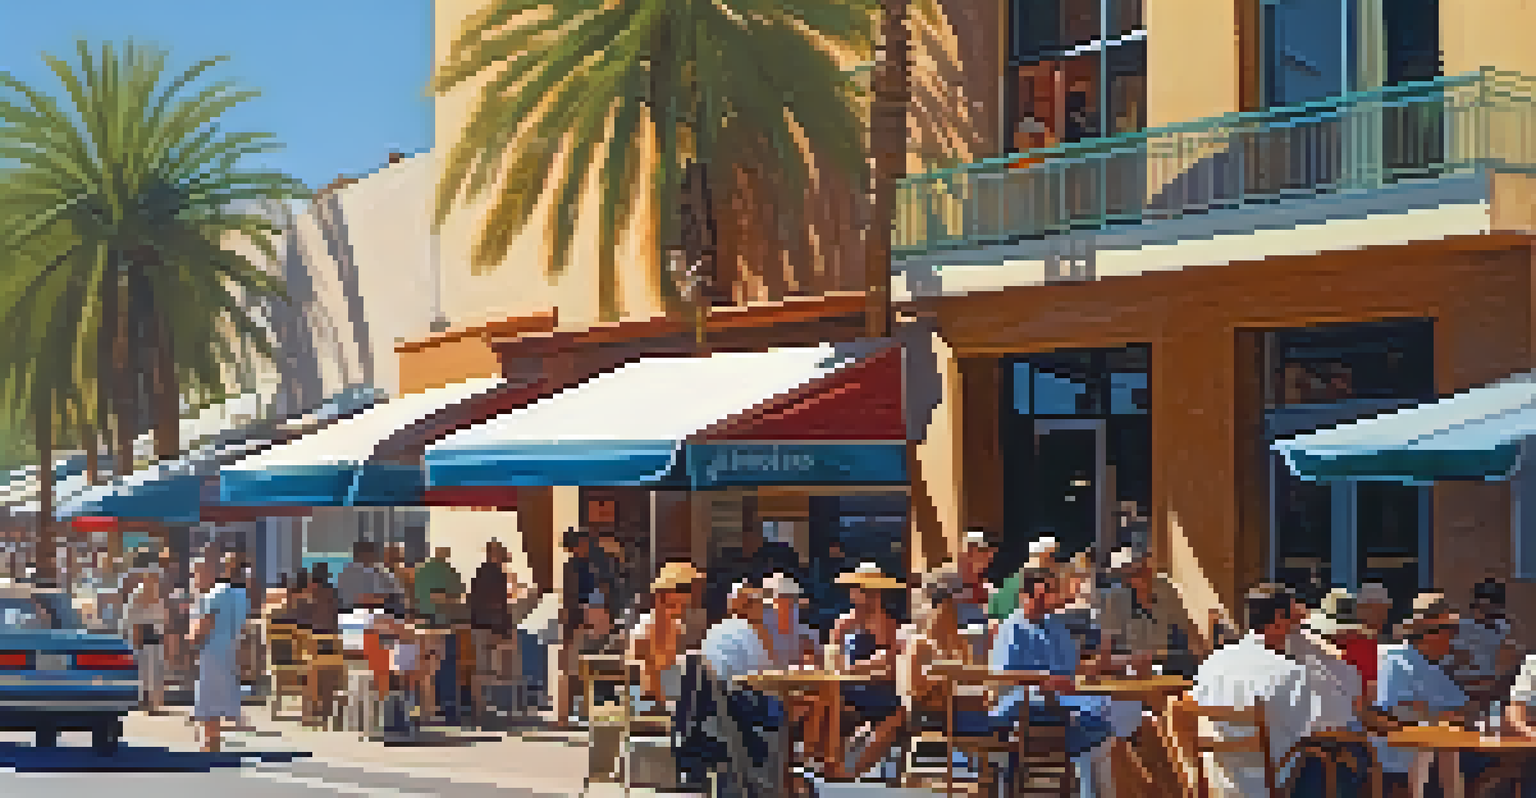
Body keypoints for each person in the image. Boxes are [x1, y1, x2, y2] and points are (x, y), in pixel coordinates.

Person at [1193, 583, 1335, 798]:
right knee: (1325, 761)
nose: (1295, 628)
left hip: (1218, 782)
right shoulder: (1290, 672)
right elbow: (1307, 730)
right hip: (1269, 784)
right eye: (1293, 620)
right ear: (1278, 618)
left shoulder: (1211, 663)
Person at [990, 567, 1115, 797]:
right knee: (1087, 722)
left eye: (1049, 591)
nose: (1044, 599)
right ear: (1024, 596)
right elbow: (1005, 675)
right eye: (1039, 593)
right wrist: (1045, 681)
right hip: (1022, 700)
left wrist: (1095, 668)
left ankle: (1087, 786)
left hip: (1060, 698)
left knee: (1104, 711)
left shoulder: (1056, 626)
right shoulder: (1012, 628)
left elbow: (1071, 669)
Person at [1374, 592, 1473, 798]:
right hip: (1406, 756)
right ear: (1430, 634)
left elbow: (1467, 709)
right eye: (1450, 630)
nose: (1454, 638)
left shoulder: (1434, 668)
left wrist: (1434, 714)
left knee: (1506, 767)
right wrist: (1444, 717)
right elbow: (1400, 712)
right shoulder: (1396, 661)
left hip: (1438, 753)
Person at [829, 563, 908, 781]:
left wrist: (866, 668)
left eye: (872, 591)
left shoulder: (889, 625)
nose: (865, 595)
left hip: (878, 688)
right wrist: (866, 667)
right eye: (860, 589)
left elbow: (891, 668)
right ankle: (837, 768)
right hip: (847, 688)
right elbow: (834, 664)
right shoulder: (843, 623)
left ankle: (853, 772)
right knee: (832, 707)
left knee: (897, 714)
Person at [1096, 546, 1205, 677]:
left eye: (1141, 569)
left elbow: (1191, 632)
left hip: (1168, 664)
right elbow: (1105, 654)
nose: (1136, 576)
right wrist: (1129, 661)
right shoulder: (1114, 601)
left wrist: (1207, 662)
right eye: (1128, 574)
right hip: (1130, 670)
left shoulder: (1166, 589)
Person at [187, 554, 250, 754]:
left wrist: (190, 638)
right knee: (223, 692)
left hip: (213, 649)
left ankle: (211, 742)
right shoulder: (242, 595)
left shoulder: (214, 595)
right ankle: (214, 740)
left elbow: (204, 626)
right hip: (233, 648)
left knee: (209, 696)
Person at [627, 561, 707, 711]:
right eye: (685, 589)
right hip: (648, 706)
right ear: (664, 595)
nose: (690, 596)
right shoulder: (644, 630)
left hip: (674, 702)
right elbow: (644, 683)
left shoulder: (678, 626)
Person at [1451, 578, 1521, 704]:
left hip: (1495, 688)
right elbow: (1458, 662)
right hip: (1466, 688)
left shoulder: (1503, 627)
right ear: (1475, 606)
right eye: (1482, 607)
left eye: (1492, 607)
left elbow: (1511, 657)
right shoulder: (1463, 627)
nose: (1487, 612)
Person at [122, 569, 170, 714]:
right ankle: (146, 704)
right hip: (143, 637)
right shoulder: (138, 595)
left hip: (155, 637)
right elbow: (135, 620)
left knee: (154, 673)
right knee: (145, 673)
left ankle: (153, 704)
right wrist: (136, 642)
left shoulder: (158, 595)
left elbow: (162, 619)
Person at [336, 541, 401, 612]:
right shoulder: (349, 573)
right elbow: (354, 598)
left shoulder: (380, 572)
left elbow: (391, 594)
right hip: (355, 611)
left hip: (377, 610)